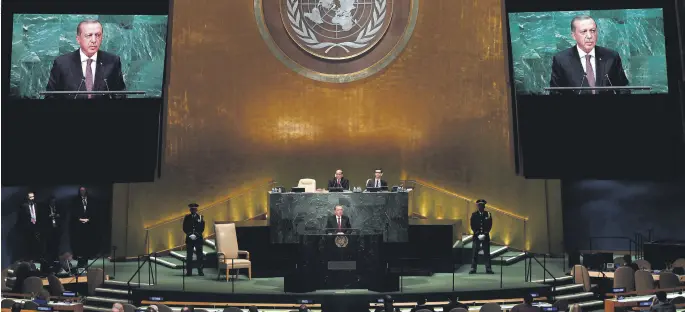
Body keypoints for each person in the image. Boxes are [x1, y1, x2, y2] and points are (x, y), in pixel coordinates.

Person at [45, 19, 126, 99]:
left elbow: (120, 94)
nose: (94, 40)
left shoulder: (112, 61)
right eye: (89, 35)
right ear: (78, 39)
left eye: (98, 35)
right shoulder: (61, 63)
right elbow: (50, 96)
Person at [549, 15, 629, 94]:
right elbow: (555, 92)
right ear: (573, 35)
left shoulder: (611, 56)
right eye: (584, 31)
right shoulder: (561, 60)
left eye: (593, 31)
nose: (589, 36)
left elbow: (623, 88)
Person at [71, 186, 98, 268]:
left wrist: (88, 219)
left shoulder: (91, 201)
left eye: (84, 190)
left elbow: (95, 212)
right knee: (79, 244)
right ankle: (80, 261)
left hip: (89, 226)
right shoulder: (75, 201)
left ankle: (86, 260)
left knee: (87, 243)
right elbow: (73, 212)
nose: (82, 192)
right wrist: (79, 219)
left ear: (86, 191)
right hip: (78, 226)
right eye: (81, 190)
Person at [18, 192, 46, 263]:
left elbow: (39, 215)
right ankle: (29, 258)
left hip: (36, 227)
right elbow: (21, 218)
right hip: (28, 227)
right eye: (30, 197)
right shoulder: (24, 206)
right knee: (28, 243)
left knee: (37, 243)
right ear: (27, 197)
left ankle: (37, 258)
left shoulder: (36, 205)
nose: (32, 198)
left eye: (33, 197)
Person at [470, 199, 494, 274]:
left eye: (482, 205)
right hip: (476, 237)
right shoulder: (474, 215)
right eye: (479, 205)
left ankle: (488, 268)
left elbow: (490, 225)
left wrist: (485, 234)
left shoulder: (488, 214)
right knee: (474, 253)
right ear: (478, 206)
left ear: (484, 206)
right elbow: (472, 225)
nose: (481, 207)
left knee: (486, 253)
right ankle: (473, 268)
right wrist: (477, 234)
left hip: (485, 236)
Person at [183, 203, 205, 276]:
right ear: (190, 210)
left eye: (194, 209)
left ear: (197, 210)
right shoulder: (187, 217)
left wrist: (195, 235)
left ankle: (200, 271)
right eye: (192, 209)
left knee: (200, 256)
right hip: (189, 239)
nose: (193, 210)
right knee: (189, 256)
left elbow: (202, 228)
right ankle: (189, 271)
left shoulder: (201, 217)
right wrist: (190, 235)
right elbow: (184, 227)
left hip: (198, 239)